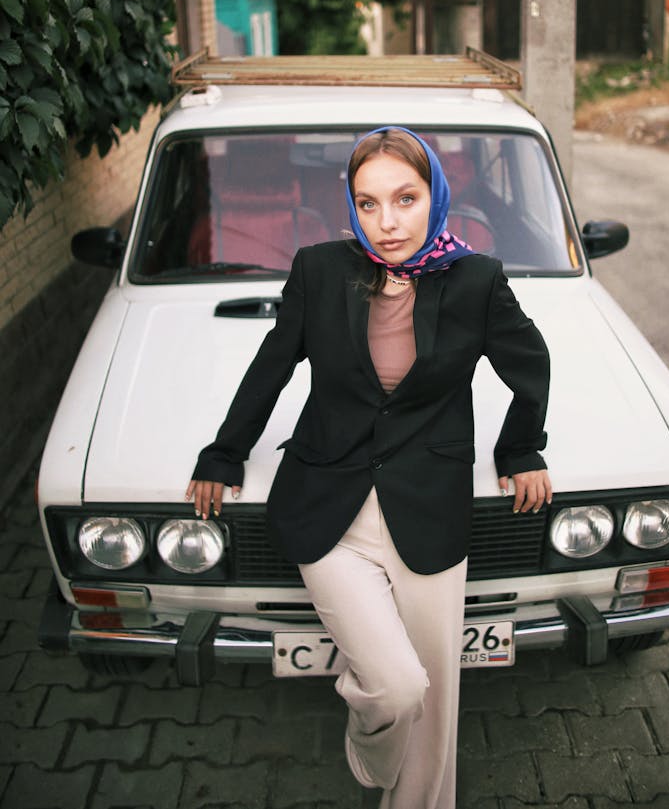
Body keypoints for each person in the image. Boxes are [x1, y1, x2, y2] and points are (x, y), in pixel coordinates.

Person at [187, 126, 552, 809]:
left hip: (428, 508)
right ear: (349, 206)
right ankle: (369, 751)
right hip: (329, 508)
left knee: (435, 700)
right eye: (368, 202)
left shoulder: (476, 280)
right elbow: (273, 363)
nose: (386, 222)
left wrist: (520, 447)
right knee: (396, 685)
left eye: (405, 198)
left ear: (435, 195)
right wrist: (225, 450)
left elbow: (531, 366)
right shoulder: (321, 269)